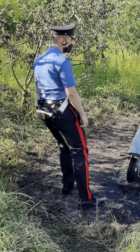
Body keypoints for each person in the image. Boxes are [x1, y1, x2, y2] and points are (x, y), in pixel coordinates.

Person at [33, 23, 104, 209]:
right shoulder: (62, 61)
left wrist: (39, 106)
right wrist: (82, 114)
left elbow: (38, 88)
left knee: (63, 146)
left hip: (44, 112)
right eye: (70, 40)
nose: (71, 43)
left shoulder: (39, 60)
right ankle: (87, 199)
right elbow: (70, 92)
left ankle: (67, 185)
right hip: (62, 111)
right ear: (63, 40)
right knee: (80, 152)